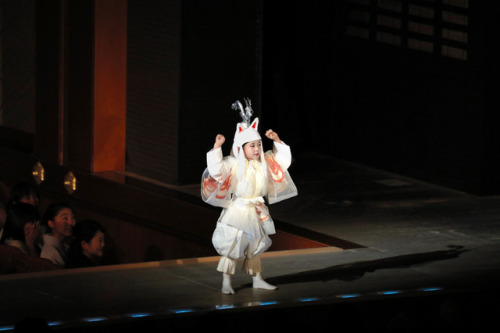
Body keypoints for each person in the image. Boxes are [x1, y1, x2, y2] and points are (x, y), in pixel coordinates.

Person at [201, 99, 298, 294]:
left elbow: (282, 163)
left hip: (256, 209)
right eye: (251, 146)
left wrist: (277, 141)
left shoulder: (264, 162)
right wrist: (217, 146)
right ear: (241, 148)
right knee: (233, 244)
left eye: (258, 145)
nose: (256, 149)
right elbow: (217, 170)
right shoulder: (234, 164)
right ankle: (226, 282)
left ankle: (258, 279)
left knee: (255, 244)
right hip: (239, 210)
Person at [40, 202, 76, 267]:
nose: (71, 222)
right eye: (65, 218)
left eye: (73, 218)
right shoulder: (50, 253)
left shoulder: (63, 245)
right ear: (51, 223)